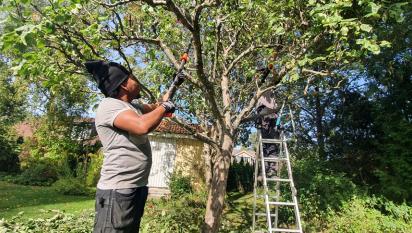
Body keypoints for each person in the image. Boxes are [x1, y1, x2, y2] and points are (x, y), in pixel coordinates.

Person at [84, 60, 175, 233]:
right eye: (133, 77)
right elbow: (142, 126)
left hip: (135, 189)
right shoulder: (109, 105)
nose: (137, 81)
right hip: (117, 192)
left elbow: (155, 109)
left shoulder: (132, 107)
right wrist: (164, 107)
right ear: (123, 84)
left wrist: (172, 88)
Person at [256, 90, 279, 177]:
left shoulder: (273, 93)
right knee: (264, 147)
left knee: (272, 146)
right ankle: (264, 171)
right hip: (264, 112)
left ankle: (272, 171)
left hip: (272, 113)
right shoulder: (262, 90)